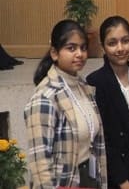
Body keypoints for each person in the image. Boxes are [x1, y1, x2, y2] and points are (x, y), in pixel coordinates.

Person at [25, 19, 108, 189]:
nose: (79, 54)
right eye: (71, 48)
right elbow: (40, 165)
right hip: (64, 183)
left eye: (83, 48)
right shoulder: (45, 97)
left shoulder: (83, 87)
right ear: (54, 53)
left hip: (88, 178)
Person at [89, 16, 129, 189]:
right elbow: (101, 137)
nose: (120, 48)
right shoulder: (95, 82)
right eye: (112, 43)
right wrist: (122, 182)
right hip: (114, 177)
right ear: (103, 46)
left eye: (125, 41)